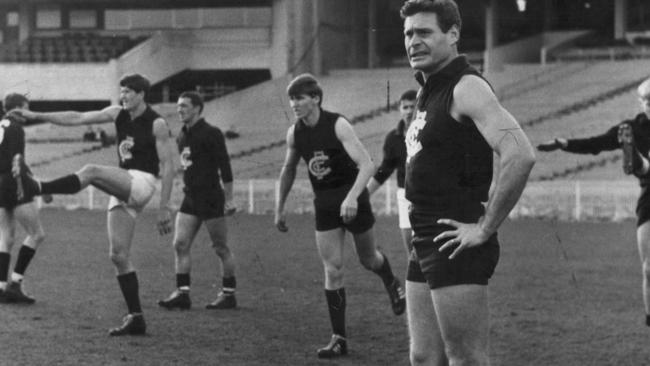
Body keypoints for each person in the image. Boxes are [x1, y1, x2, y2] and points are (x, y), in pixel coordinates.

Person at [400, 1, 536, 365]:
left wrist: (485, 227)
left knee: (466, 359)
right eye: (409, 33)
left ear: (453, 34)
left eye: (425, 32)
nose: (414, 40)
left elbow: (520, 154)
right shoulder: (429, 89)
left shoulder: (466, 87)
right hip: (424, 236)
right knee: (424, 357)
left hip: (454, 240)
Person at [16, 74, 176, 336]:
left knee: (90, 170)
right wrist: (36, 115)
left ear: (141, 94)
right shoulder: (117, 113)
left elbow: (168, 166)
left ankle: (40, 187)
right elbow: (77, 117)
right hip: (124, 185)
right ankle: (136, 317)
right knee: (118, 255)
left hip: (142, 182)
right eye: (121, 91)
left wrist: (164, 207)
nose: (123, 96)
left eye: (127, 92)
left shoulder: (156, 123)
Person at [274, 73, 406, 359]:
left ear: (316, 98)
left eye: (300, 98)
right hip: (324, 205)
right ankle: (339, 338)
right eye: (292, 99)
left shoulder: (338, 124)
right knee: (332, 269)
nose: (294, 104)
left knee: (368, 260)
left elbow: (367, 165)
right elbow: (288, 169)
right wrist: (280, 206)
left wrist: (351, 198)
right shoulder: (294, 133)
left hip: (353, 197)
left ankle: (391, 281)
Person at [538, 76, 650, 328]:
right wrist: (564, 144)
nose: (648, 105)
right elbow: (596, 144)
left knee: (645, 168)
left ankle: (639, 164)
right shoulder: (631, 127)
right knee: (648, 269)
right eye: (644, 101)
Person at [158, 91, 238, 310]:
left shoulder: (212, 133)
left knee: (220, 248)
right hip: (190, 197)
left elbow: (225, 167)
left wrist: (229, 199)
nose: (179, 109)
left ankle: (229, 294)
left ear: (197, 108)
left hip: (211, 197)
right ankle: (182, 294)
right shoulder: (182, 135)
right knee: (179, 244)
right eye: (178, 105)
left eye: (184, 105)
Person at [0, 93, 48, 304]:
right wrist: (36, 186)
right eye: (26, 108)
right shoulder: (17, 129)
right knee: (37, 234)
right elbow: (17, 160)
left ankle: (1, 287)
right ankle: (15, 284)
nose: (28, 114)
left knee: (6, 236)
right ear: (18, 109)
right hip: (12, 182)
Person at [367, 89, 417, 257]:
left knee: (429, 242)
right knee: (410, 241)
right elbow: (385, 169)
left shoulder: (430, 132)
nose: (409, 111)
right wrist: (364, 195)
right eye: (405, 107)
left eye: (413, 107)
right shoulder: (393, 138)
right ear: (400, 109)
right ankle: (416, 281)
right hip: (405, 192)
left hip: (431, 193)